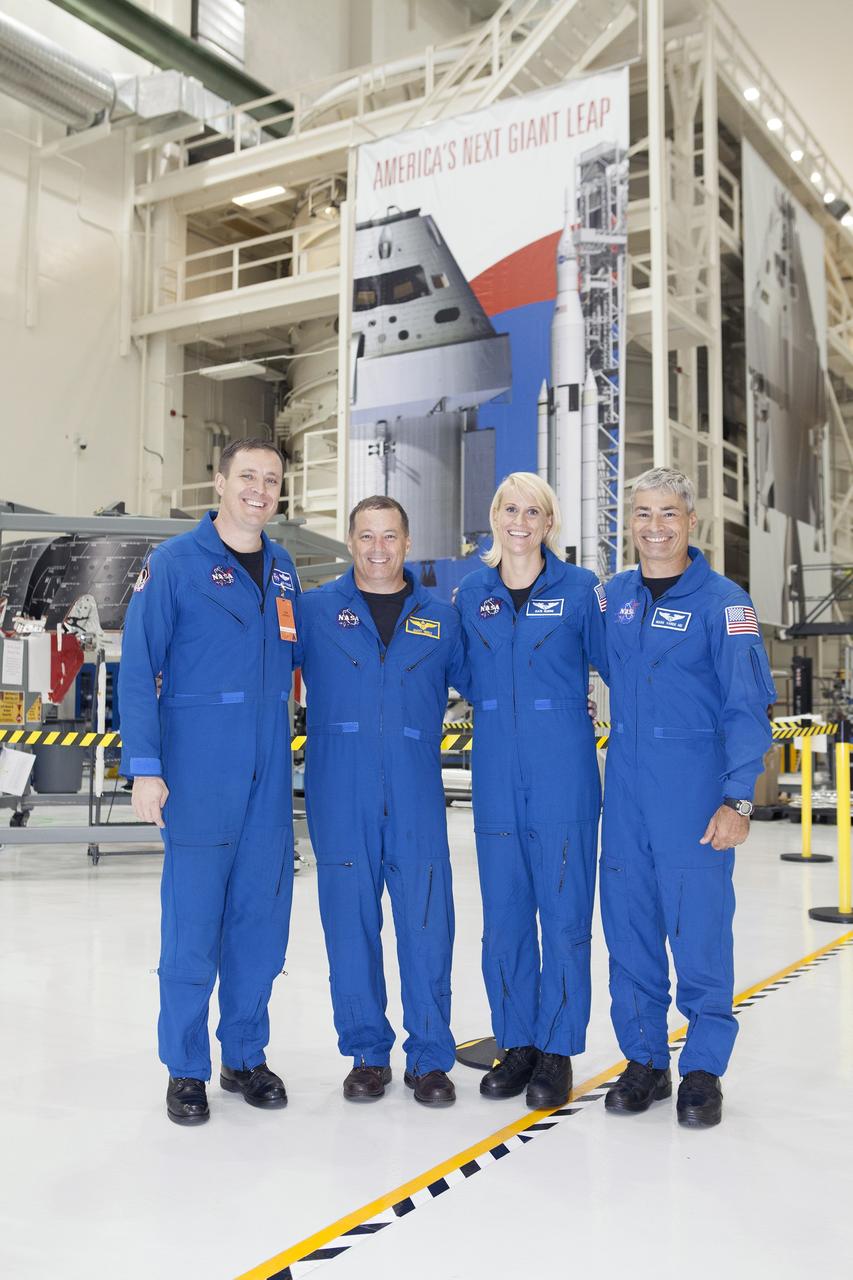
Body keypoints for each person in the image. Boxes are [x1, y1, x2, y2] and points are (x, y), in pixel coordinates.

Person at [119, 438, 301, 1126]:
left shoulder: (283, 569)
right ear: (219, 483)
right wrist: (145, 768)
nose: (260, 489)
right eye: (247, 476)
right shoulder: (173, 564)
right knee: (192, 927)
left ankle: (244, 1056)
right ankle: (186, 1067)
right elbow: (138, 668)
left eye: (271, 479)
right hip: (199, 774)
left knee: (260, 924)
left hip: (268, 778)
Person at [600, 467, 775, 1128]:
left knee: (698, 930)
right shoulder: (612, 597)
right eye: (643, 513)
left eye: (668, 513)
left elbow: (746, 708)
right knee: (628, 927)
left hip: (693, 793)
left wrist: (739, 799)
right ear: (631, 522)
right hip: (624, 791)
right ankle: (644, 1059)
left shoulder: (724, 604)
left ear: (690, 521)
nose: (655, 527)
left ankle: (702, 1067)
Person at [298, 497, 465, 1106]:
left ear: (407, 542)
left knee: (427, 924)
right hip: (340, 793)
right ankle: (367, 1054)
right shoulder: (315, 610)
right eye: (366, 535)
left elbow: (492, 684)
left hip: (416, 792)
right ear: (350, 541)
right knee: (350, 927)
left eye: (389, 536)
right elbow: (260, 668)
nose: (377, 548)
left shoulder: (441, 619)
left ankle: (430, 1058)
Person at [455, 473, 607, 1109]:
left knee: (565, 914)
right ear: (494, 516)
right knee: (505, 915)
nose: (520, 521)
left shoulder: (581, 590)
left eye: (534, 511)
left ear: (550, 523)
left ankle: (557, 1049)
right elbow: (459, 672)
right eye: (510, 509)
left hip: (562, 768)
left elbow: (617, 664)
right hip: (495, 768)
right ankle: (516, 1042)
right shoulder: (472, 593)